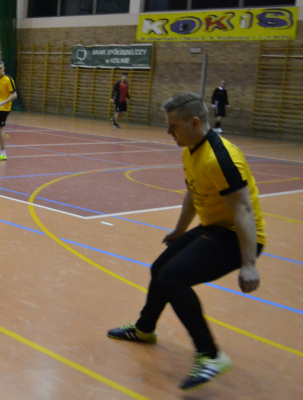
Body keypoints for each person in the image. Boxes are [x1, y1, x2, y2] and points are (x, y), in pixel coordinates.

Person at [107, 92, 265, 391]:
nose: (168, 131)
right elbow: (193, 194)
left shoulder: (221, 158)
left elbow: (244, 209)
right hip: (214, 227)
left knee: (173, 278)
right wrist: (180, 231)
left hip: (238, 237)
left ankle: (211, 355)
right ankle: (144, 329)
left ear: (194, 122)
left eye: (173, 126)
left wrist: (249, 264)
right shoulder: (191, 150)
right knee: (160, 269)